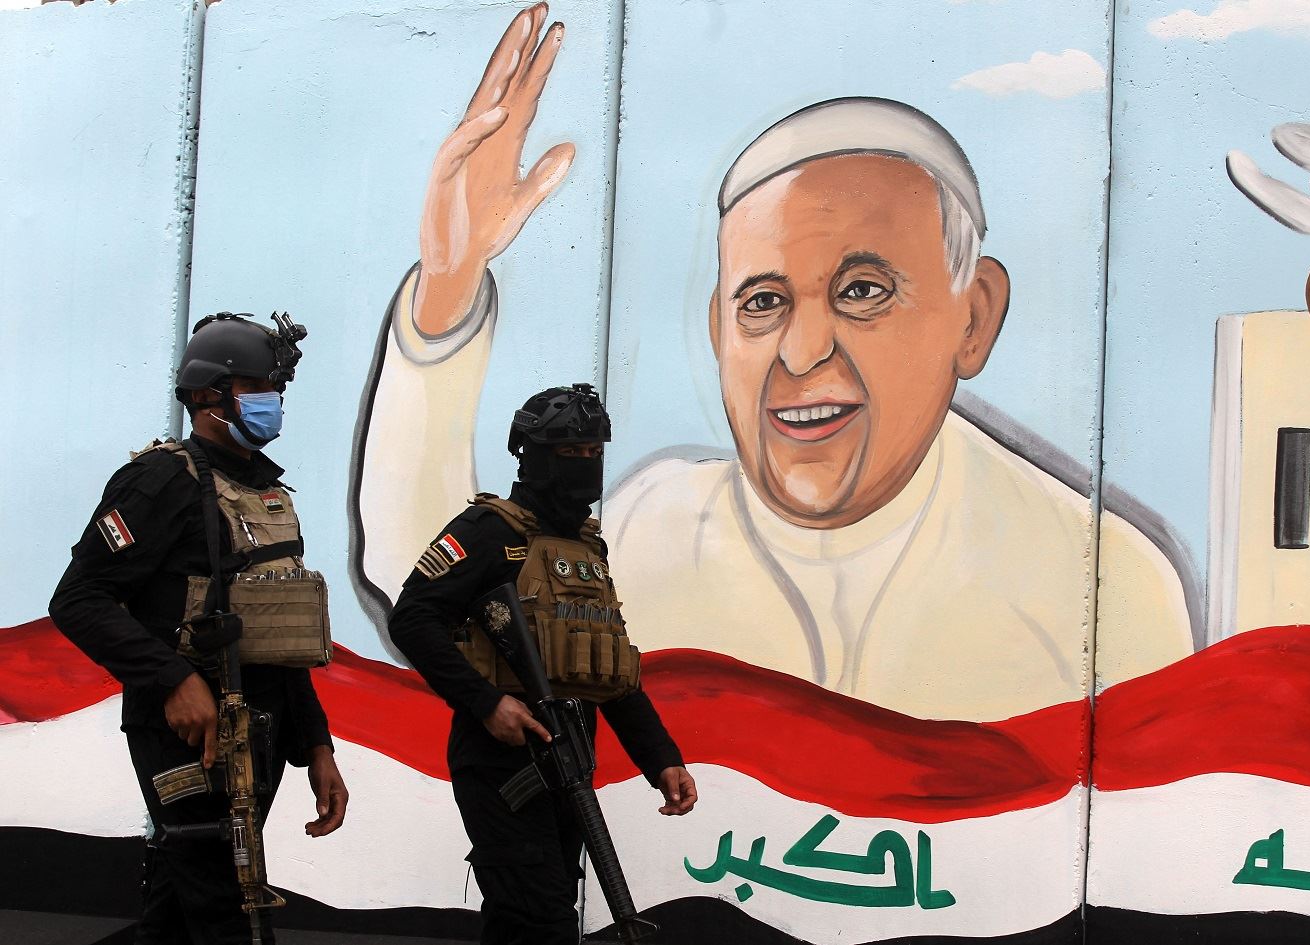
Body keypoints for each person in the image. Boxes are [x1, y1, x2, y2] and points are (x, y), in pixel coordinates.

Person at [351, 4, 1194, 723]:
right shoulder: (650, 533)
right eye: (763, 302)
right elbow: (435, 596)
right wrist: (448, 288)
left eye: (862, 290)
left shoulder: (1105, 585)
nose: (802, 350)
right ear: (721, 333)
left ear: (973, 319)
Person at [49, 312, 348, 945]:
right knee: (226, 906)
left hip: (259, 727)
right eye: (256, 388)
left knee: (180, 913)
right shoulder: (160, 480)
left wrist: (316, 745)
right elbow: (80, 599)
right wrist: (172, 678)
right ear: (208, 397)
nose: (272, 404)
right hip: (185, 731)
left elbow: (279, 640)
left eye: (276, 390)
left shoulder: (268, 493)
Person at [387, 383, 696, 945]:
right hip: (502, 759)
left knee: (532, 915)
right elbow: (412, 618)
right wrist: (486, 703)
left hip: (569, 753)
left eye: (593, 452)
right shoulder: (487, 532)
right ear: (530, 456)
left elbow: (607, 670)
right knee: (538, 915)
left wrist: (661, 759)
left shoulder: (586, 549)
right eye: (568, 453)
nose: (583, 465)